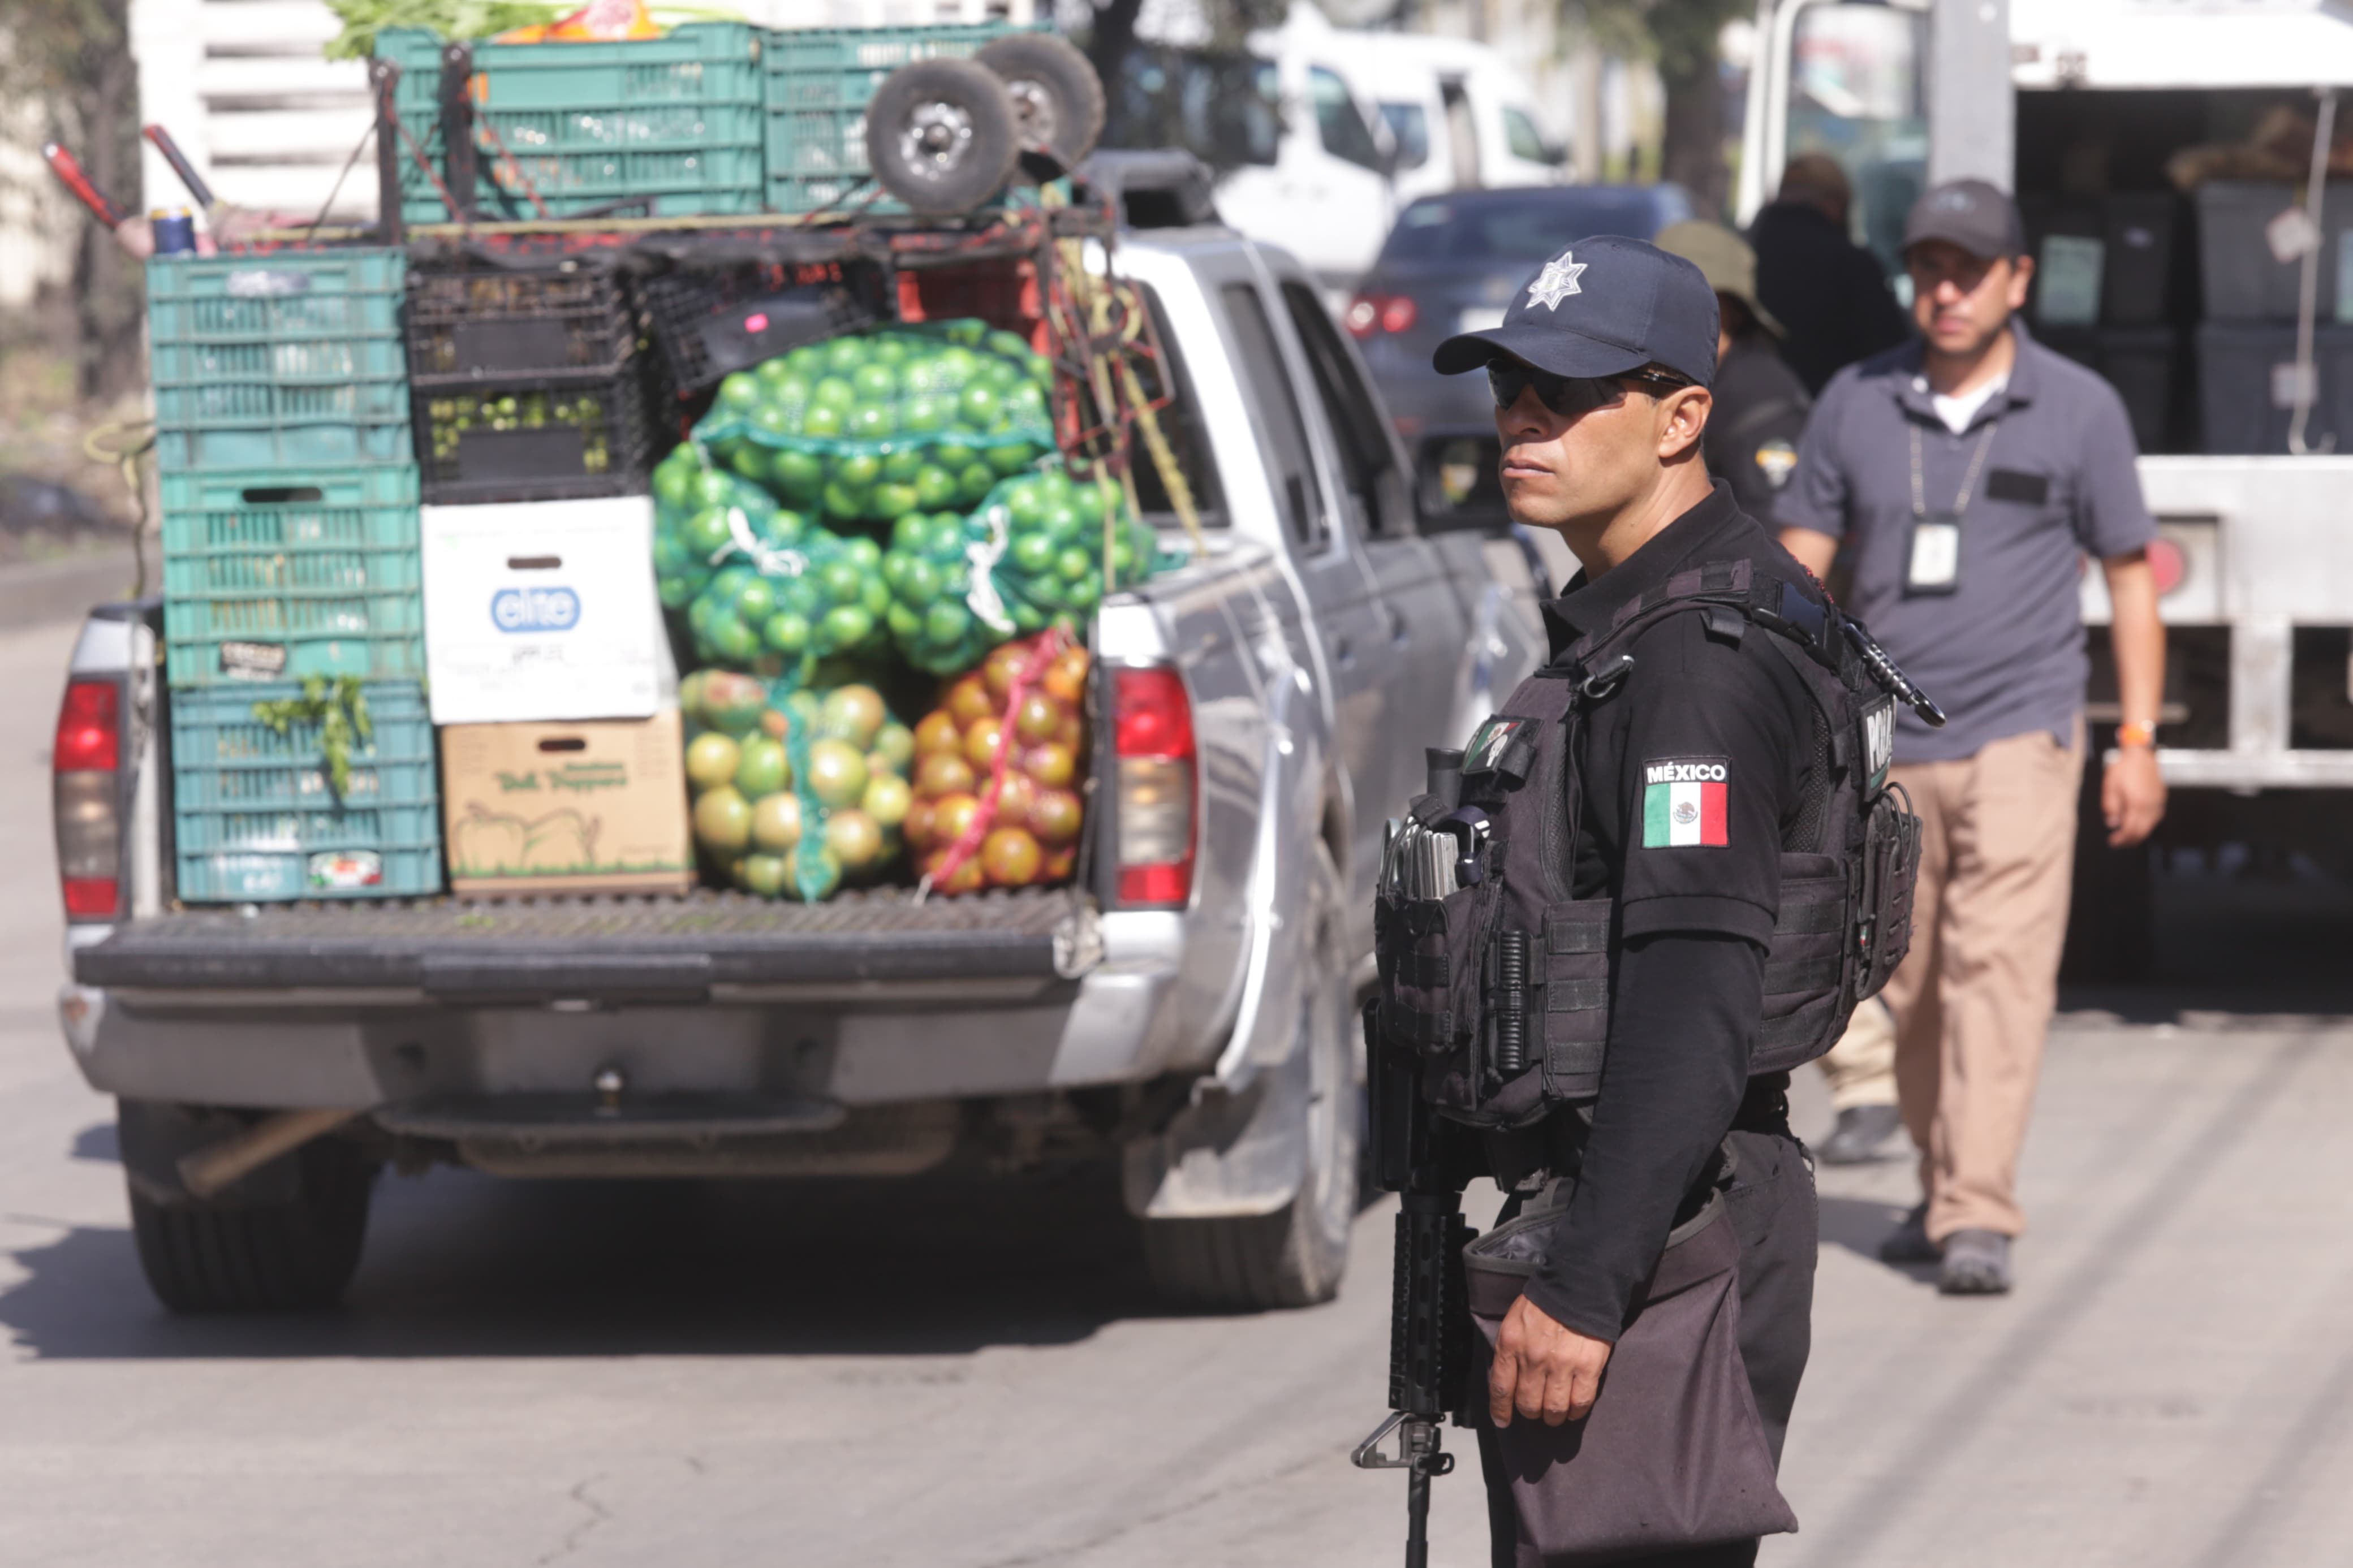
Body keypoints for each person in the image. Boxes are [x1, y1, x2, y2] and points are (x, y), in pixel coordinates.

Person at [1424, 236, 1836, 1566]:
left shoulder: (1695, 667)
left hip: (1663, 1221)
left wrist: (1588, 1288)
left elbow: (1694, 997)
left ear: (1679, 418)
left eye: (1567, 390)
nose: (1521, 418)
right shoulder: (1632, 620)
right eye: (1509, 387)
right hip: (1629, 1203)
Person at [1775, 179, 2169, 1295]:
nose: (1946, 291)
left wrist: (2137, 737)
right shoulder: (1856, 400)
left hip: (2023, 732)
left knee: (1997, 970)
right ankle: (1944, 1177)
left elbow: (2130, 577)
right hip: (1891, 746)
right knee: (1908, 982)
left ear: (2018, 280)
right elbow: (1801, 566)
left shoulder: (2081, 407)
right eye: (1929, 269)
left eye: (1969, 270)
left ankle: (1976, 1209)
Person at [1654, 219, 1811, 517]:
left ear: (1734, 311)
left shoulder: (1764, 405)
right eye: (1656, 301)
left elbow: (1771, 536)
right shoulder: (1668, 377)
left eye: (1688, 301)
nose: (1666, 315)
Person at [1749, 153, 1914, 395]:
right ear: (1836, 203)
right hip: (1830, 406)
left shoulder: (1742, 251)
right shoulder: (1852, 264)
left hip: (1740, 404)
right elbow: (1890, 354)